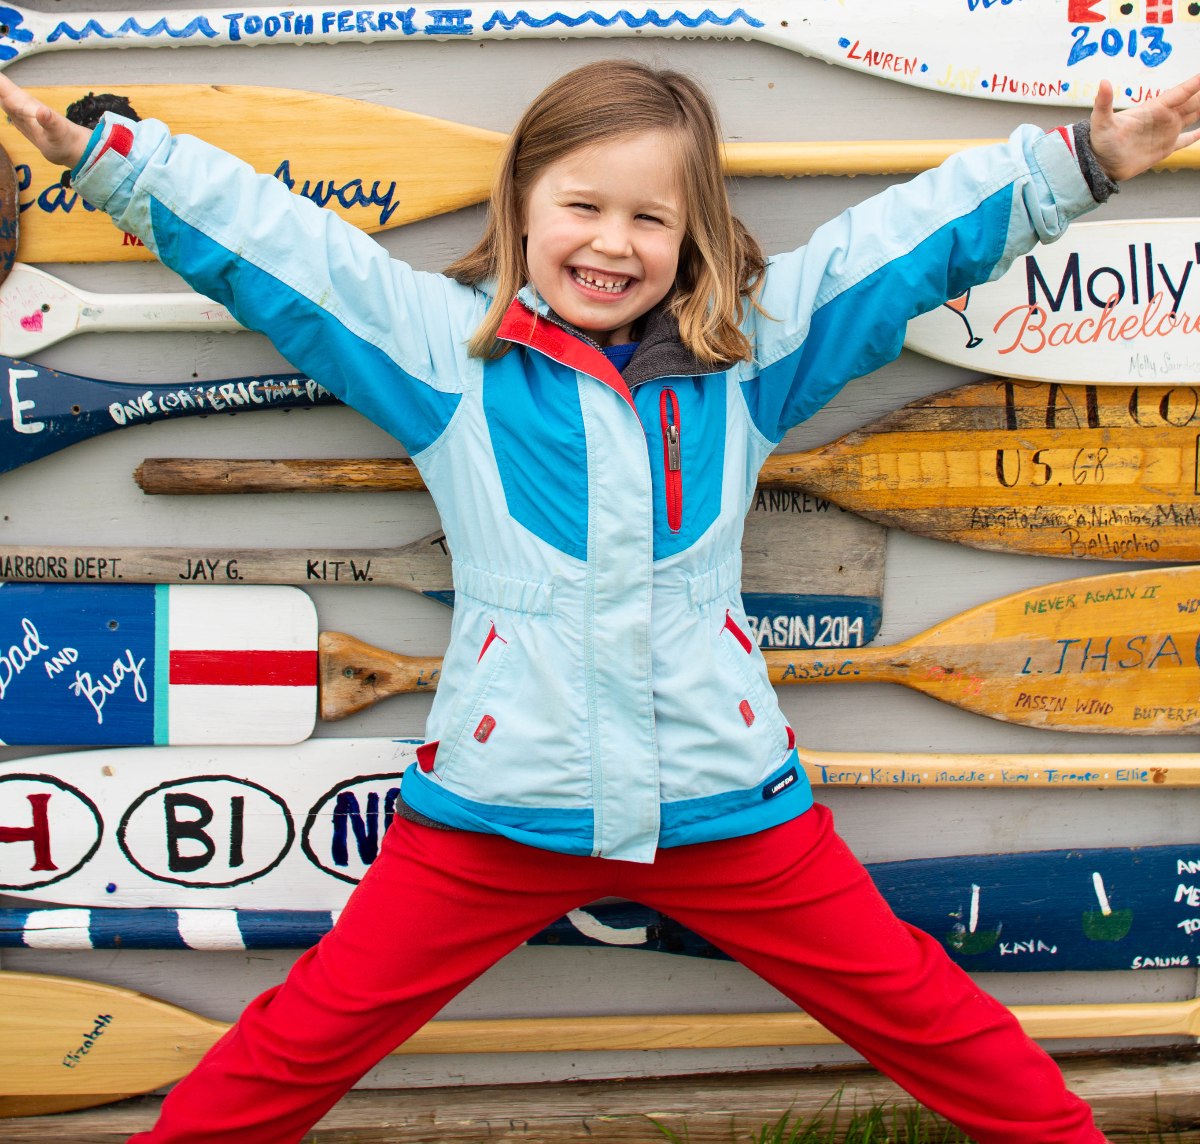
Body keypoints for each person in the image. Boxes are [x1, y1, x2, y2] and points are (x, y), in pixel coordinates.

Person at [4, 58, 1198, 1144]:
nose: (611, 243)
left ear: (697, 235)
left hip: (728, 804)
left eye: (650, 217)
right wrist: (120, 162)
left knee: (930, 1018)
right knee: (298, 1044)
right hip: (492, 812)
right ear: (523, 204)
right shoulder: (441, 350)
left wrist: (1081, 163)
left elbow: (897, 251)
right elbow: (288, 261)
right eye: (582, 206)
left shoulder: (756, 355)